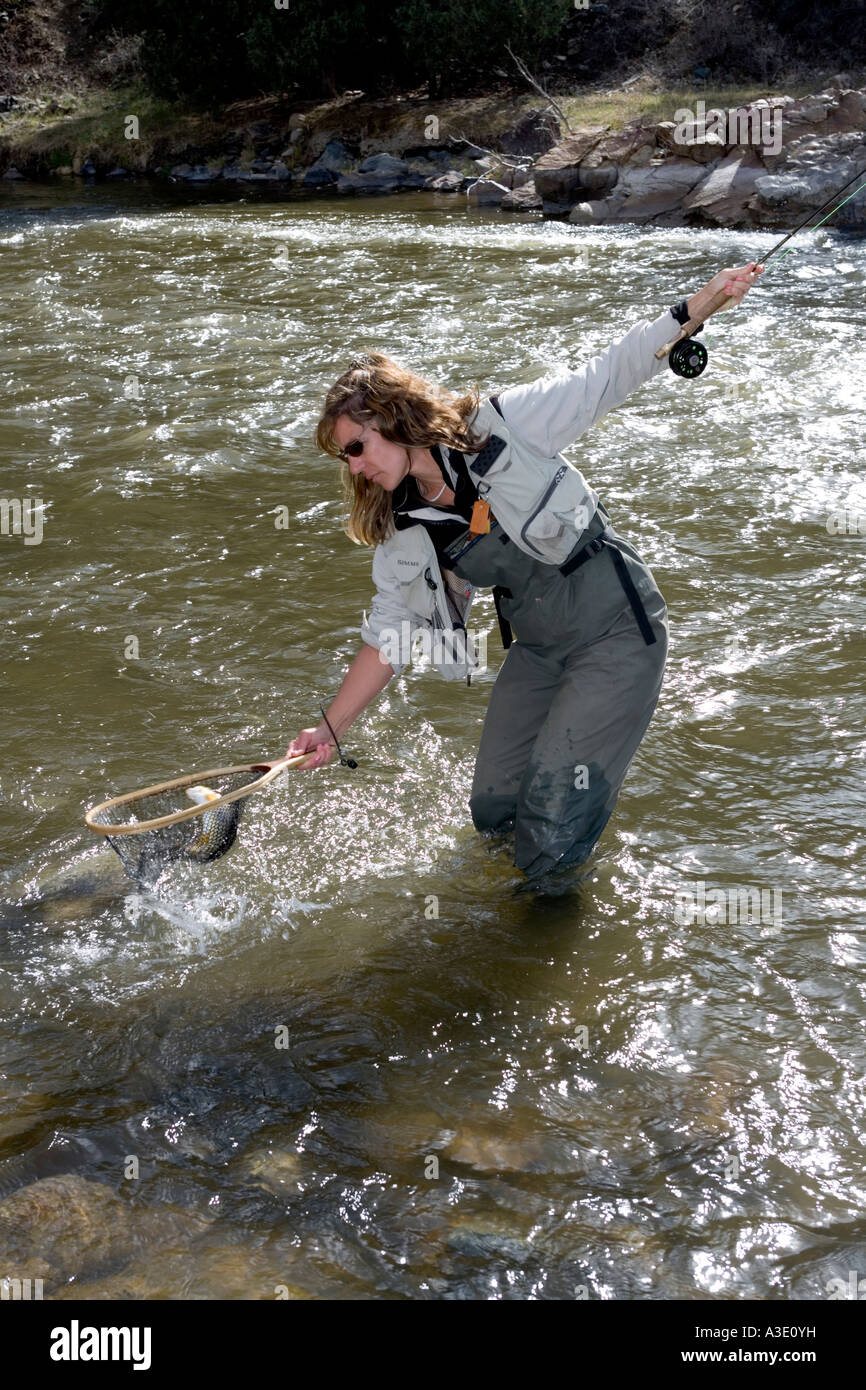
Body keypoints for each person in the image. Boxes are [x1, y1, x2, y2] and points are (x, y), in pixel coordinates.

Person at [287, 262, 762, 879]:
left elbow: (608, 375)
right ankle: (523, 892)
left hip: (616, 632)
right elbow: (392, 632)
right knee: (495, 807)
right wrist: (328, 729)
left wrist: (701, 304)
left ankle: (547, 919)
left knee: (552, 814)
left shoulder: (503, 427)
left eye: (356, 447)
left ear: (396, 421)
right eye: (343, 456)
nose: (353, 468)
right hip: (539, 649)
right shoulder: (403, 528)